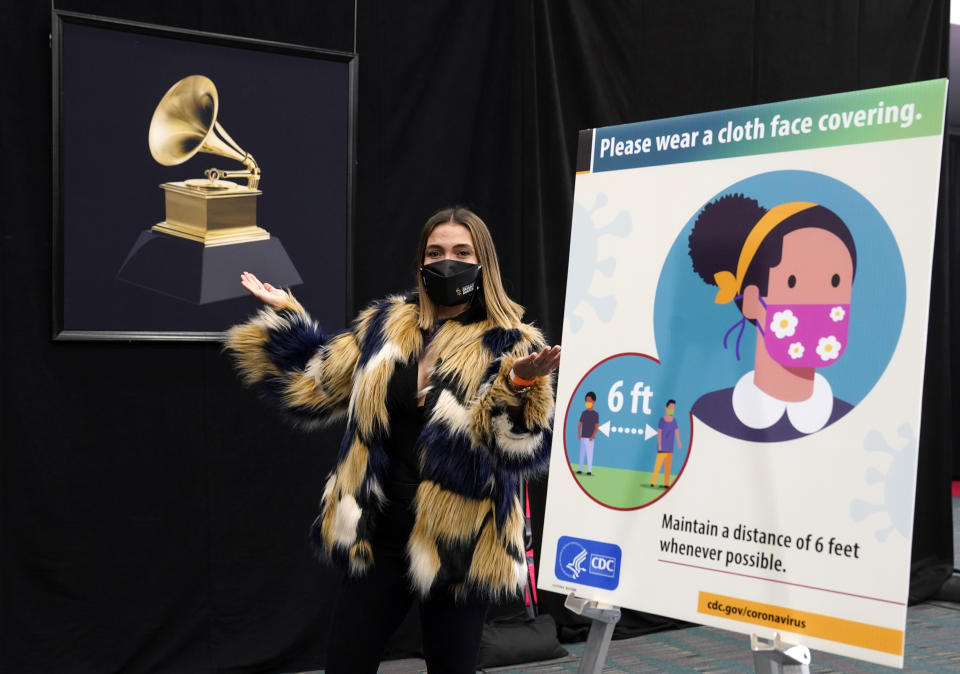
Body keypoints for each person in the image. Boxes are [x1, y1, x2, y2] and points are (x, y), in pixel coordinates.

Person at [224, 206, 560, 673]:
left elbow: (516, 451)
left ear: (484, 262)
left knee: (451, 667)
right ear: (421, 262)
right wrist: (288, 317)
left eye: (462, 252)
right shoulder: (385, 325)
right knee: (346, 662)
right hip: (380, 526)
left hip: (461, 536)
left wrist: (518, 387)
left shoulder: (512, 341)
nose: (448, 262)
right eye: (436, 251)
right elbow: (317, 383)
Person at [688, 195, 856, 442]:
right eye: (793, 282)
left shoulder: (848, 420)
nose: (817, 301)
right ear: (753, 300)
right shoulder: (707, 413)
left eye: (835, 282)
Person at [651, 399, 681, 488]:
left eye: (673, 408)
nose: (672, 409)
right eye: (671, 407)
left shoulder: (674, 421)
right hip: (662, 448)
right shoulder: (662, 420)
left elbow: (677, 432)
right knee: (658, 466)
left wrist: (679, 442)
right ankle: (653, 482)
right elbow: (659, 432)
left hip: (670, 448)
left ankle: (666, 484)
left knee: (667, 467)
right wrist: (659, 444)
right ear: (666, 408)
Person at [576, 391, 599, 475]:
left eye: (589, 401)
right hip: (583, 437)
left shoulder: (595, 414)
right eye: (586, 401)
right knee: (581, 454)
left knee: (590, 455)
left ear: (593, 402)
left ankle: (589, 470)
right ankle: (580, 469)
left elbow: (597, 427)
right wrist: (579, 434)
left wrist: (592, 437)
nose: (587, 403)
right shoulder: (584, 413)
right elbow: (579, 425)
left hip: (590, 439)